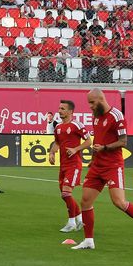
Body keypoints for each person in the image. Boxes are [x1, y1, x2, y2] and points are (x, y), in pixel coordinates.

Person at [69, 89, 133, 250]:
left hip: (113, 165)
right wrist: (93, 158)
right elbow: (97, 140)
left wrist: (105, 148)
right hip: (97, 165)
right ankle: (88, 240)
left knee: (119, 202)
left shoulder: (117, 116)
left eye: (92, 103)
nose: (90, 106)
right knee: (85, 201)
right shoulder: (96, 117)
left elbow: (123, 141)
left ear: (101, 99)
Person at [48, 99, 85, 233]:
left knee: (66, 193)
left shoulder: (77, 125)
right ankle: (80, 219)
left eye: (62, 109)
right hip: (63, 165)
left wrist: (75, 149)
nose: (59, 111)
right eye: (59, 108)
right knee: (64, 195)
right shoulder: (58, 127)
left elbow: (88, 141)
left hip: (74, 165)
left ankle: (71, 222)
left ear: (70, 111)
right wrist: (52, 153)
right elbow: (57, 143)